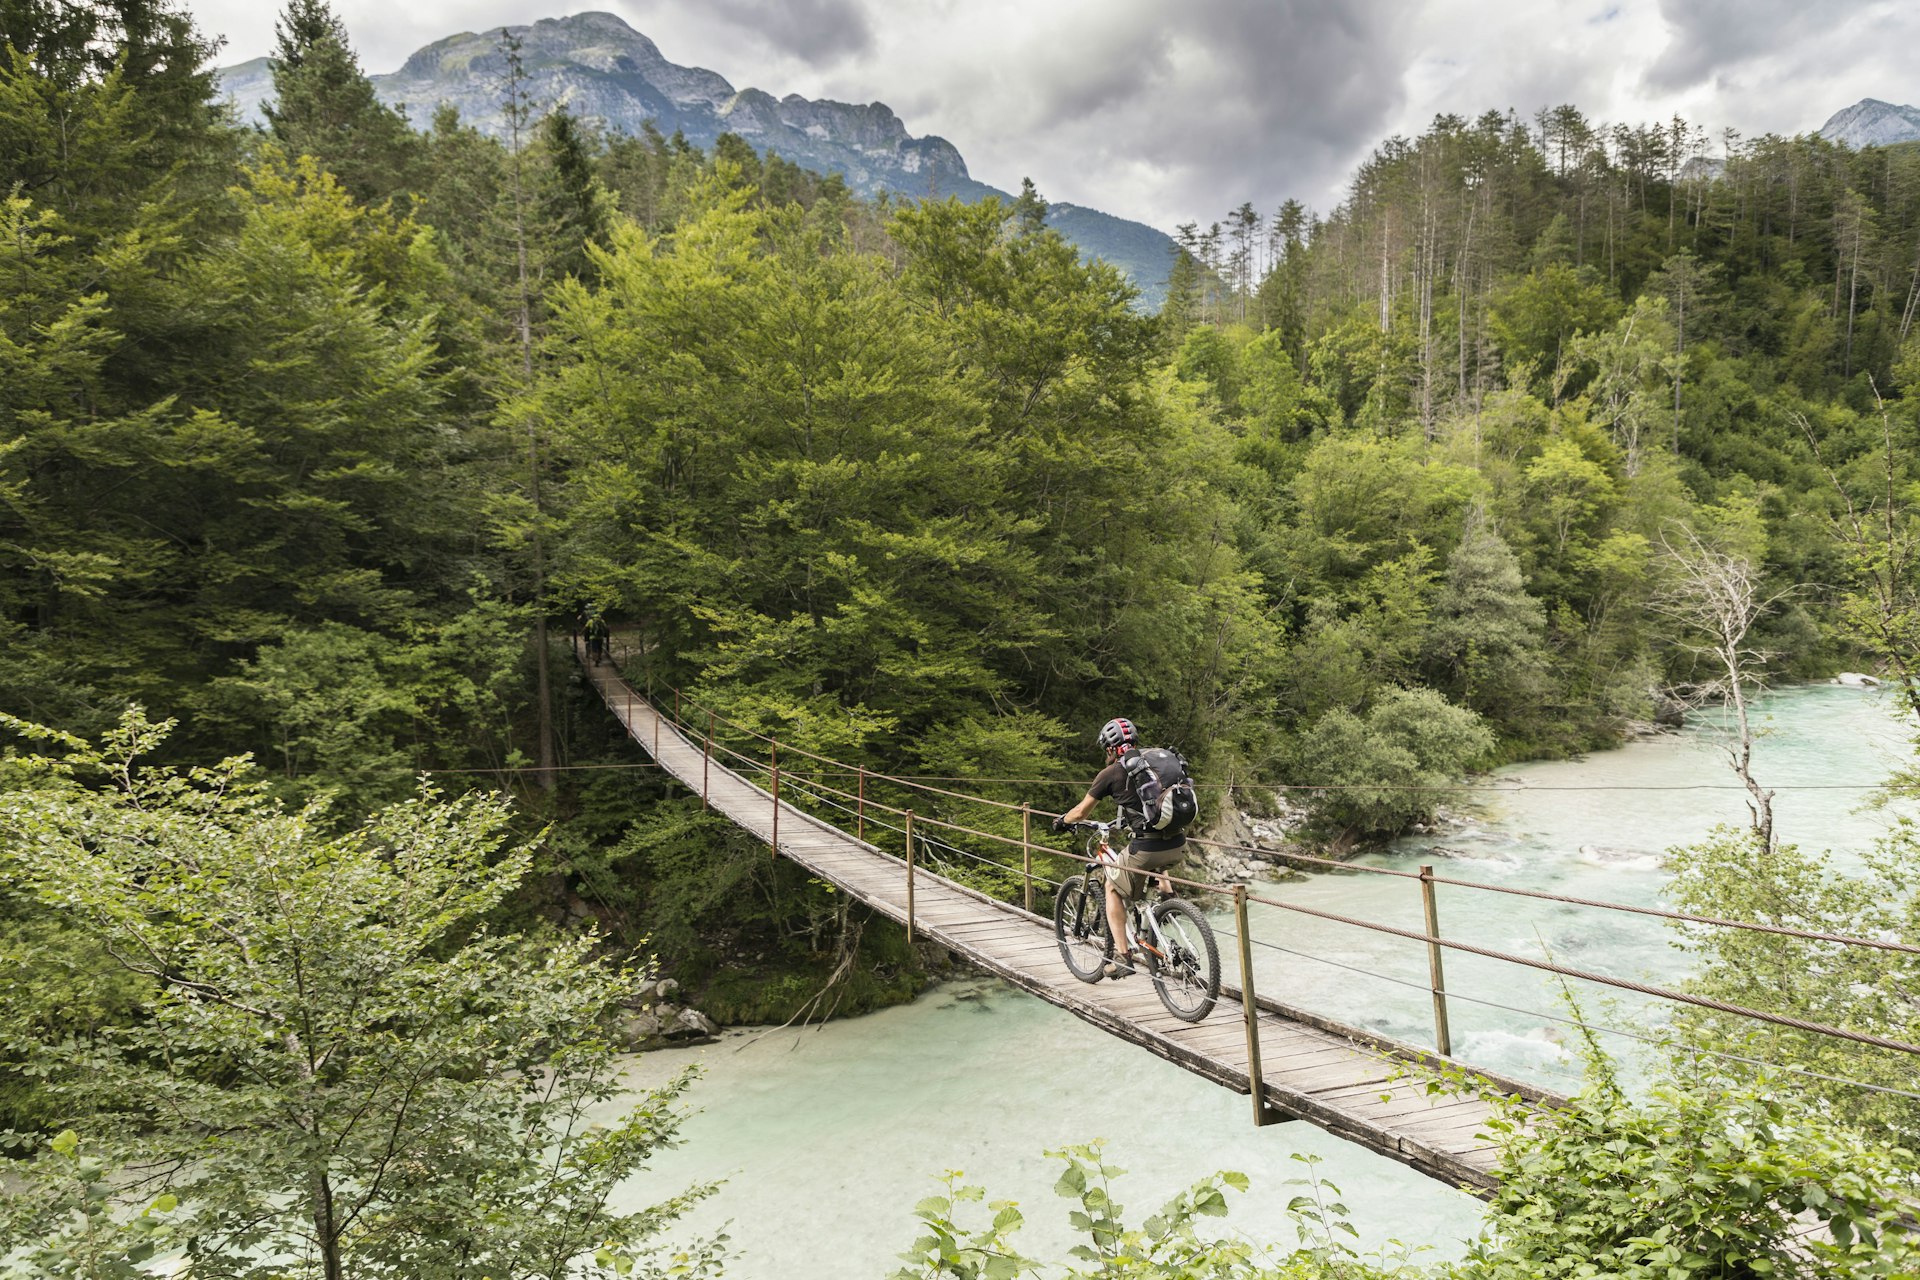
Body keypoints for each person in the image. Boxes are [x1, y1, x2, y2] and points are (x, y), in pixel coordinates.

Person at [1051, 716, 1187, 978]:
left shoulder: (1111, 773)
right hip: (1179, 844)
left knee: (1112, 887)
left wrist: (1062, 821)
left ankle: (1123, 959)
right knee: (1152, 848)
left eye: (1106, 749)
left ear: (1112, 748)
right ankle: (1168, 893)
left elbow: (1080, 812)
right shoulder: (1154, 762)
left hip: (1146, 851)